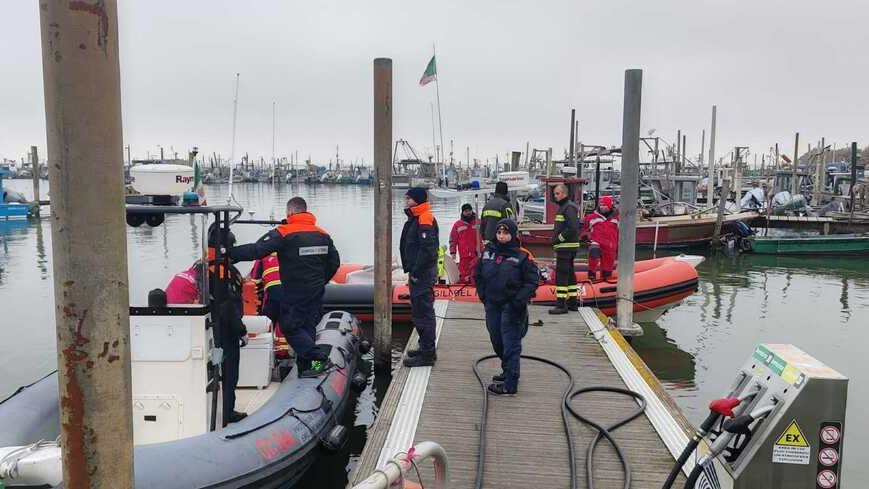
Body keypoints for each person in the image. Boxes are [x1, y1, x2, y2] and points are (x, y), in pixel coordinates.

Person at [229, 197, 340, 378]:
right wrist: (321, 280)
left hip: (295, 290)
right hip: (316, 289)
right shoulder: (322, 234)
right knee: (307, 325)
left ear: (290, 213)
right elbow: (334, 262)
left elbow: (257, 250)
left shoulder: (284, 232)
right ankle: (306, 367)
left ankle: (320, 358)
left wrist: (229, 253)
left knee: (289, 327)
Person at [474, 219, 538, 395]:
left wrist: (518, 300)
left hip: (511, 306)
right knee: (497, 340)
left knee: (511, 344)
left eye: (505, 233)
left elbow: (532, 282)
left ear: (513, 234)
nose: (502, 236)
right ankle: (506, 370)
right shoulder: (488, 252)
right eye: (499, 233)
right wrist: (483, 295)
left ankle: (511, 383)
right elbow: (478, 274)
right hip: (492, 304)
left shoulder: (523, 256)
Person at [207, 224, 248, 425]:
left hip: (210, 332)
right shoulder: (226, 272)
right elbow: (228, 306)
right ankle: (228, 412)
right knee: (230, 373)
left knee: (214, 369)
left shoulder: (203, 266)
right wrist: (242, 331)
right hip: (227, 333)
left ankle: (214, 409)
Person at [400, 187, 440, 367]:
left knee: (424, 313)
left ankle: (427, 354)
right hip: (417, 272)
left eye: (409, 199)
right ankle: (425, 347)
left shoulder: (424, 219)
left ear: (417, 200)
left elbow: (428, 250)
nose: (406, 201)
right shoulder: (415, 218)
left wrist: (416, 271)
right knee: (419, 312)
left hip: (421, 274)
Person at [549, 183, 581, 315]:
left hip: (565, 247)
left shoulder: (567, 207)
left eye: (557, 193)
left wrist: (559, 239)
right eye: (555, 194)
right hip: (569, 247)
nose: (555, 196)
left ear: (564, 193)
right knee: (570, 275)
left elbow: (572, 227)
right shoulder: (567, 207)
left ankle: (561, 304)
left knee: (562, 275)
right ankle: (573, 302)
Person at [582, 195, 619, 281]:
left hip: (610, 245)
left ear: (610, 206)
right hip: (596, 242)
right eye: (601, 205)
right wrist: (585, 236)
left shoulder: (617, 218)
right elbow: (584, 229)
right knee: (594, 252)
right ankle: (592, 276)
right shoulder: (591, 217)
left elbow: (620, 232)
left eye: (604, 205)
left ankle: (605, 279)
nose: (602, 207)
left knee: (607, 268)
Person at [449, 203, 480, 284]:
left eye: (469, 210)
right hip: (464, 254)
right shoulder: (457, 225)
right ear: (462, 212)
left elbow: (485, 235)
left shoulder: (478, 222)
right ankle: (464, 287)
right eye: (466, 211)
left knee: (476, 272)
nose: (468, 212)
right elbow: (453, 239)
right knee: (464, 273)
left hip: (477, 253)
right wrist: (453, 252)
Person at [249, 252, 283, 325]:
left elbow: (254, 282)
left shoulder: (262, 258)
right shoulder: (289, 254)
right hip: (292, 294)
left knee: (268, 321)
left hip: (272, 295)